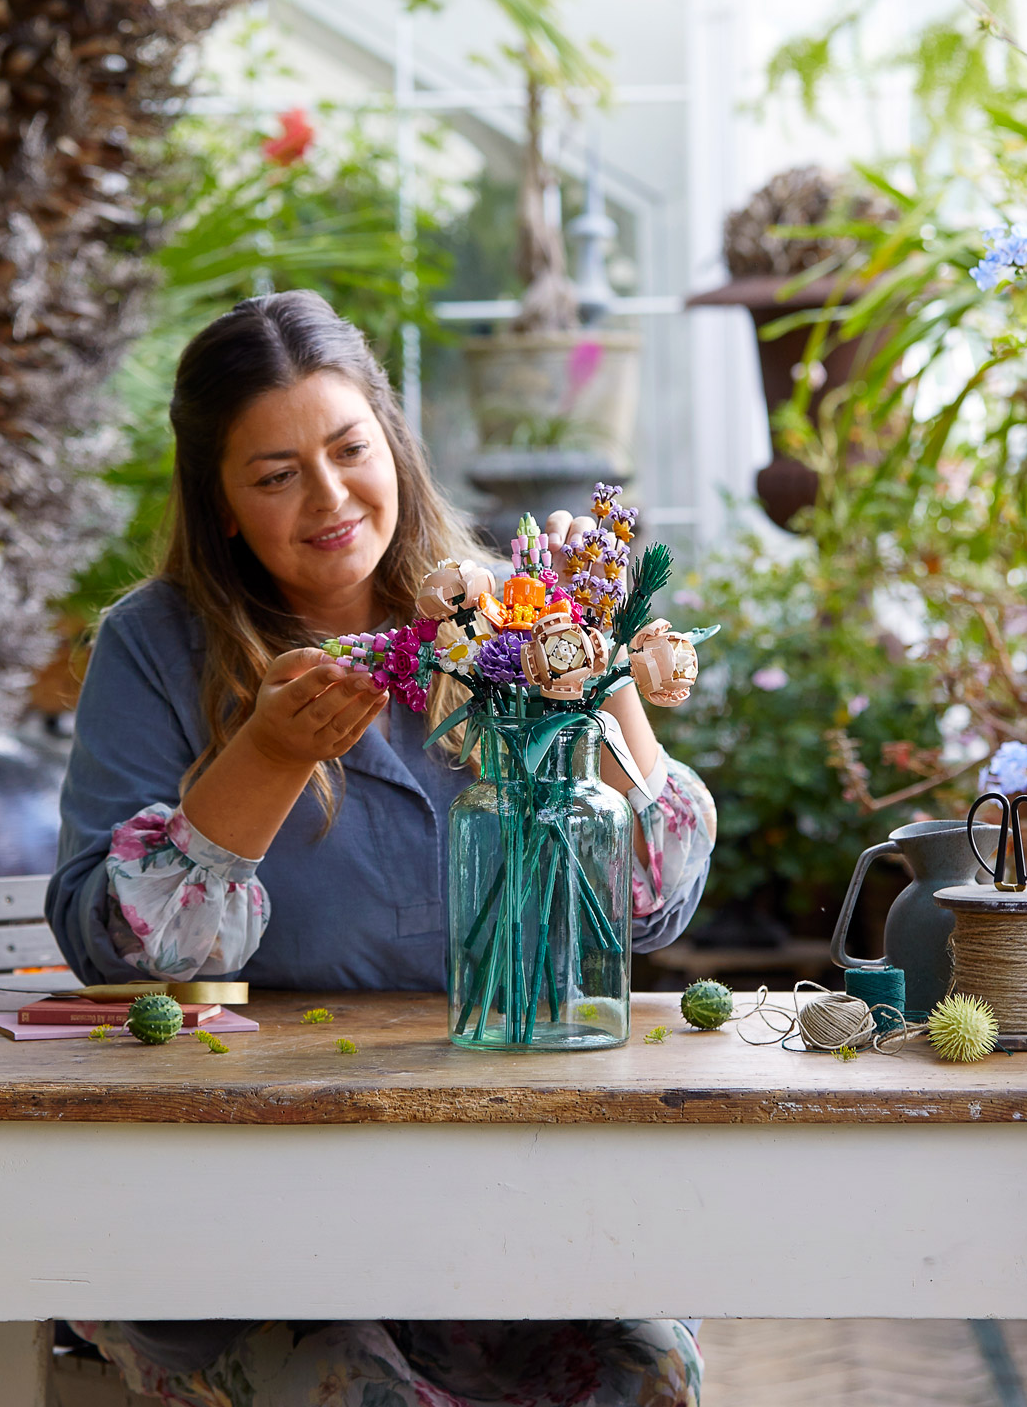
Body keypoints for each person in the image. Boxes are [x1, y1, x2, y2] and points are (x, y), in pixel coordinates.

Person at [48, 290, 717, 1407]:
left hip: (501, 1169)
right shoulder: (154, 647)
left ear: (393, 448)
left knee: (648, 1368)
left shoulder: (505, 617)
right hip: (237, 1202)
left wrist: (591, 674)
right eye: (273, 474)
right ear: (218, 503)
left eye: (350, 449)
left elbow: (652, 908)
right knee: (357, 1385)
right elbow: (108, 952)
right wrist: (263, 756)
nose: (328, 497)